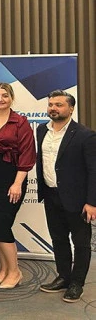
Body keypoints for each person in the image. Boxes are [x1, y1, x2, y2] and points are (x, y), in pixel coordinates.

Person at [36, 90, 96, 303]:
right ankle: (63, 277)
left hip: (77, 199)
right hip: (51, 195)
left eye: (59, 105)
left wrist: (92, 202)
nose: (53, 108)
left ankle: (77, 283)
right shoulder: (41, 130)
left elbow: (93, 171)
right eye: (51, 104)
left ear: (71, 108)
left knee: (81, 243)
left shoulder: (85, 135)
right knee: (58, 239)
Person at [0, 83, 36, 289]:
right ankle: (4, 269)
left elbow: (27, 155)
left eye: (5, 95)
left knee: (0, 225)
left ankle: (15, 271)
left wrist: (17, 184)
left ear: (11, 98)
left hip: (11, 178)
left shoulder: (20, 122)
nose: (0, 99)